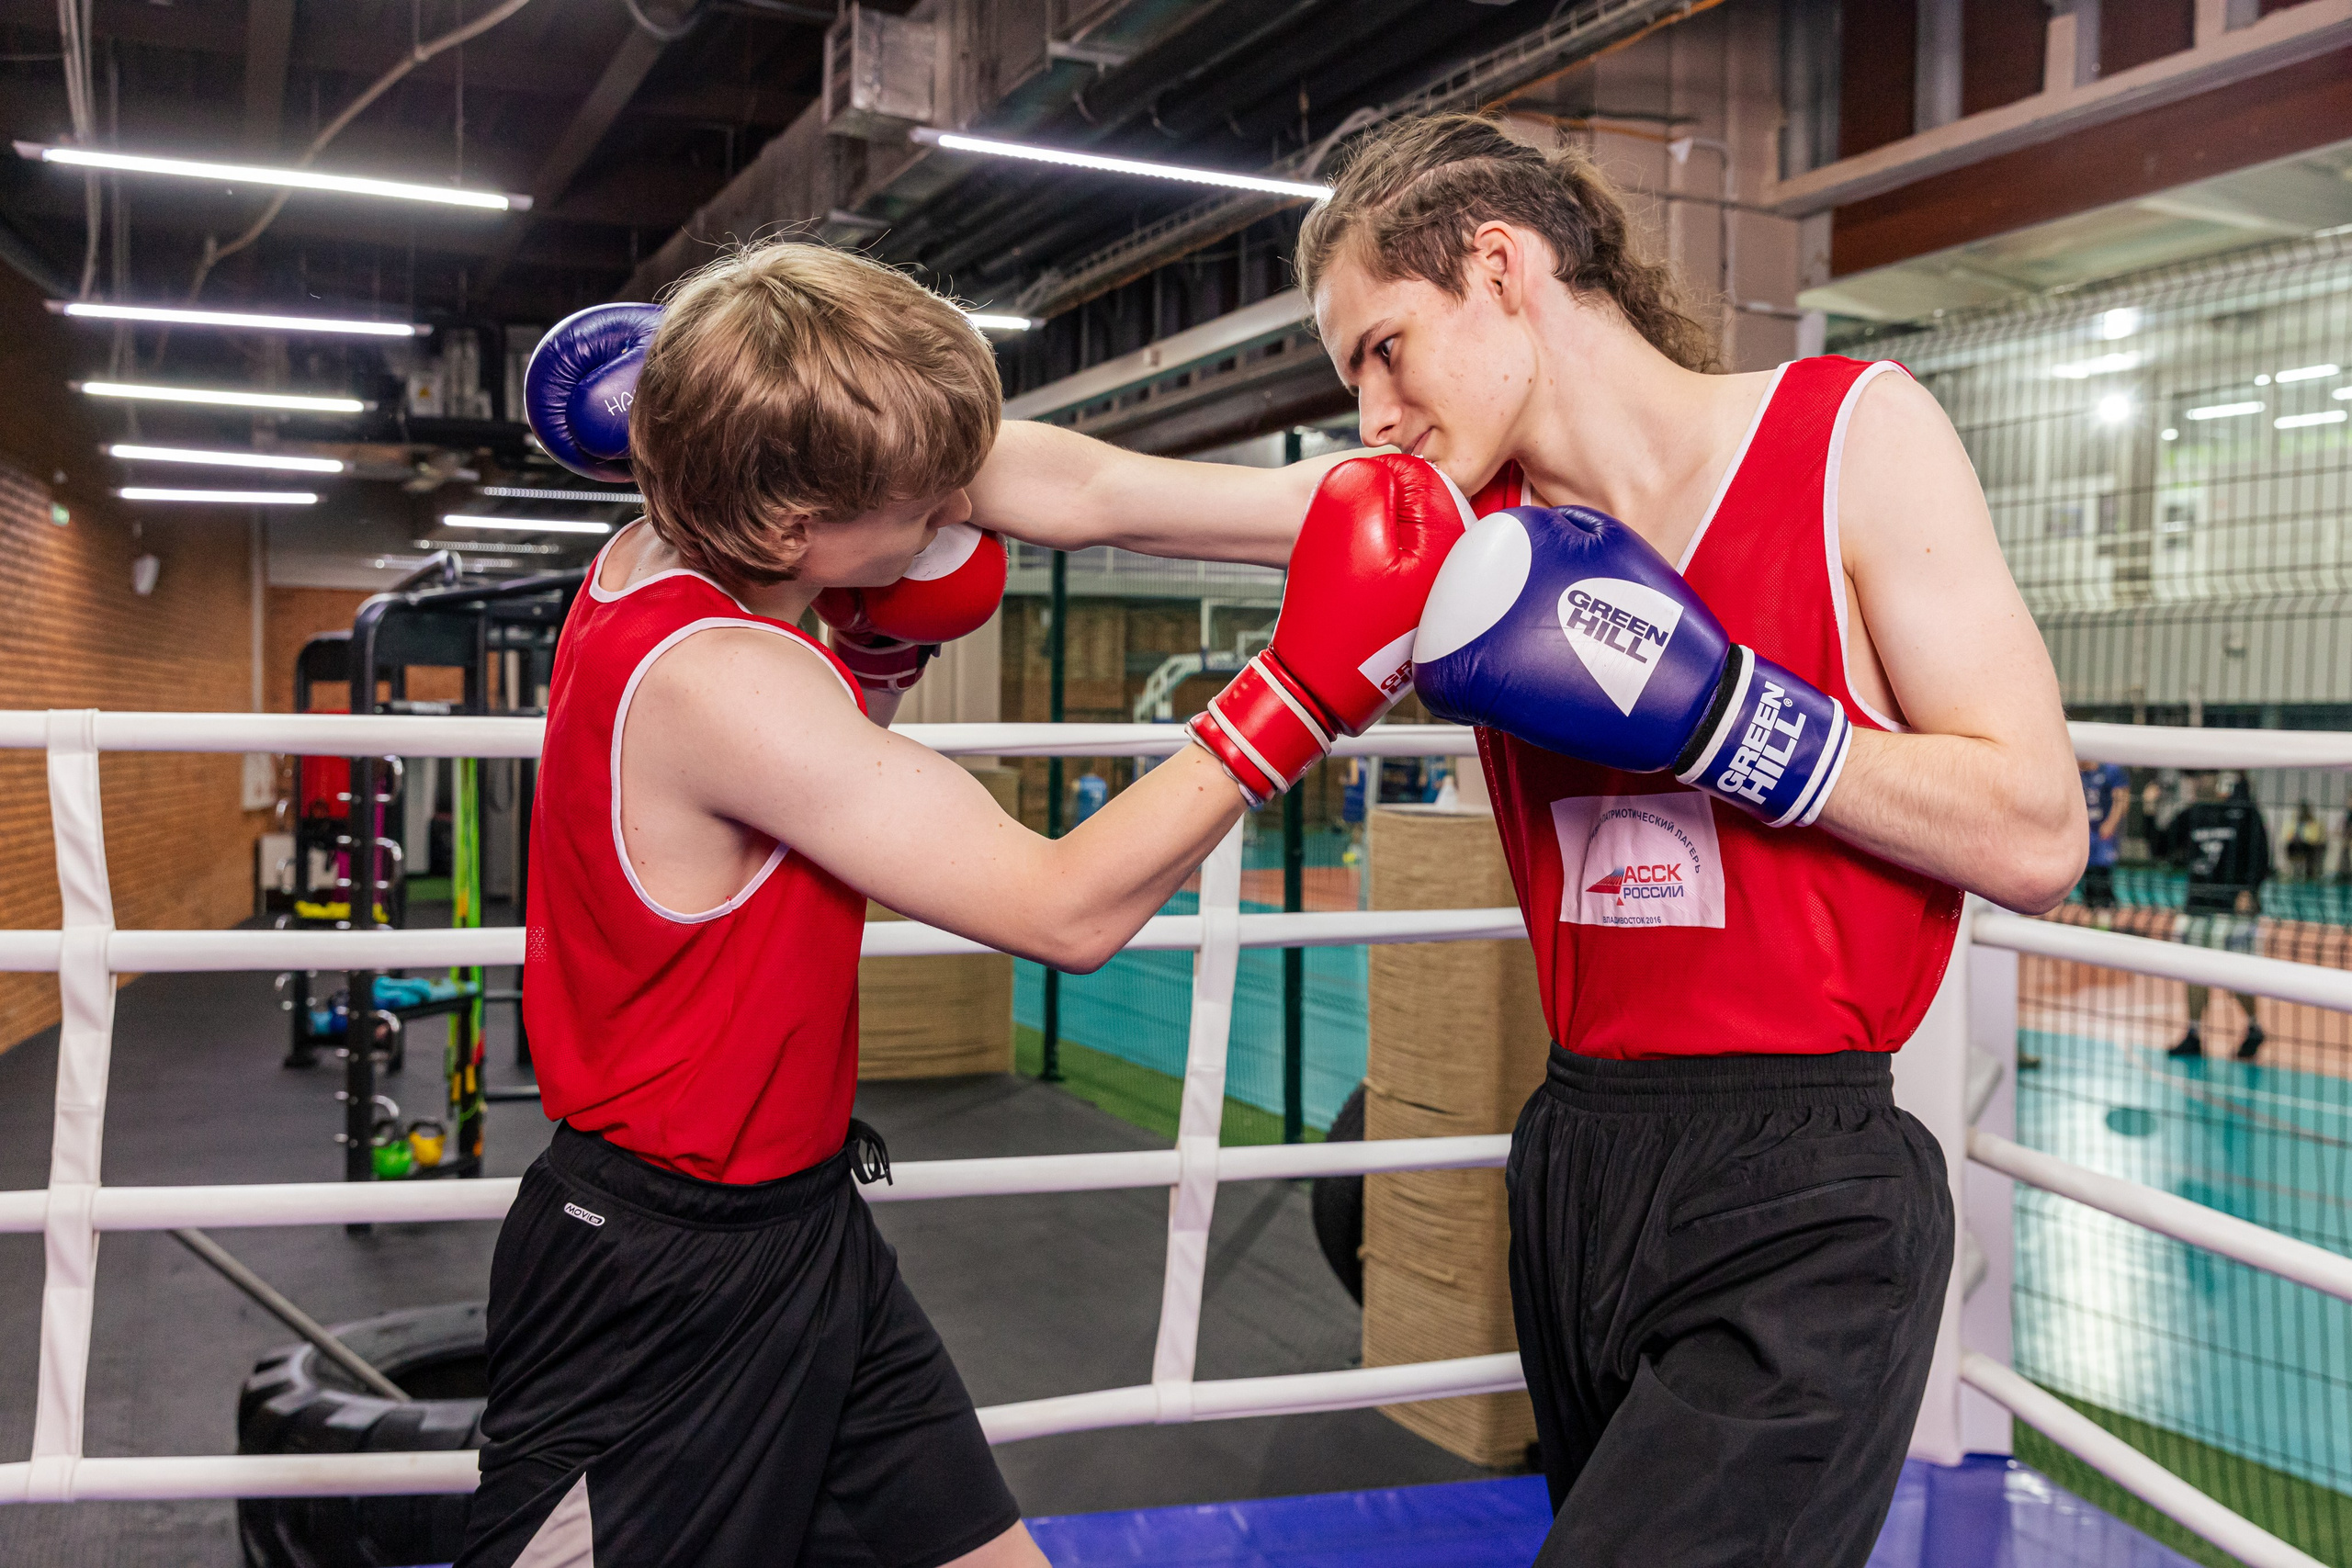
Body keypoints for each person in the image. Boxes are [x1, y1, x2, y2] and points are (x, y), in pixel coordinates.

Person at [965, 113, 2083, 1567]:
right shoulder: (1448, 529)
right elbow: (1099, 492)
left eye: (1382, 348)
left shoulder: (1846, 437)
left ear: (1500, 267)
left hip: (1804, 1183)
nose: (1371, 413)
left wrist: (1723, 715)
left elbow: (2037, 826)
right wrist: (767, 403)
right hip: (1580, 1160)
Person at [464, 241, 1469, 1568]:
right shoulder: (723, 682)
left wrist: (1403, 497)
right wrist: (1307, 689)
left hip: (804, 1232)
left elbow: (1090, 484)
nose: (960, 513)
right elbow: (1063, 908)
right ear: (789, 526)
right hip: (655, 1288)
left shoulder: (698, 529)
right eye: (927, 501)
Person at [2147, 771, 2270, 1060]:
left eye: (2201, 776)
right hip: (2198, 905)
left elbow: (2262, 854)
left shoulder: (2244, 812)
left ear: (2218, 779)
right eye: (2192, 778)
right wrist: (2150, 809)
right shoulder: (2193, 814)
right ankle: (2193, 1033)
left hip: (2232, 910)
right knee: (2193, 972)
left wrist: (2249, 890)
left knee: (2235, 975)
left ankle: (2253, 1027)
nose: (2195, 782)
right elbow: (2160, 848)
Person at [2082, 758, 2131, 922]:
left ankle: (2106, 917)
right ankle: (2090, 917)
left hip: (2103, 833)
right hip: (2084, 832)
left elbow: (2122, 799)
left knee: (2102, 875)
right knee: (2085, 876)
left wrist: (2111, 823)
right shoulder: (2074, 771)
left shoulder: (2110, 770)